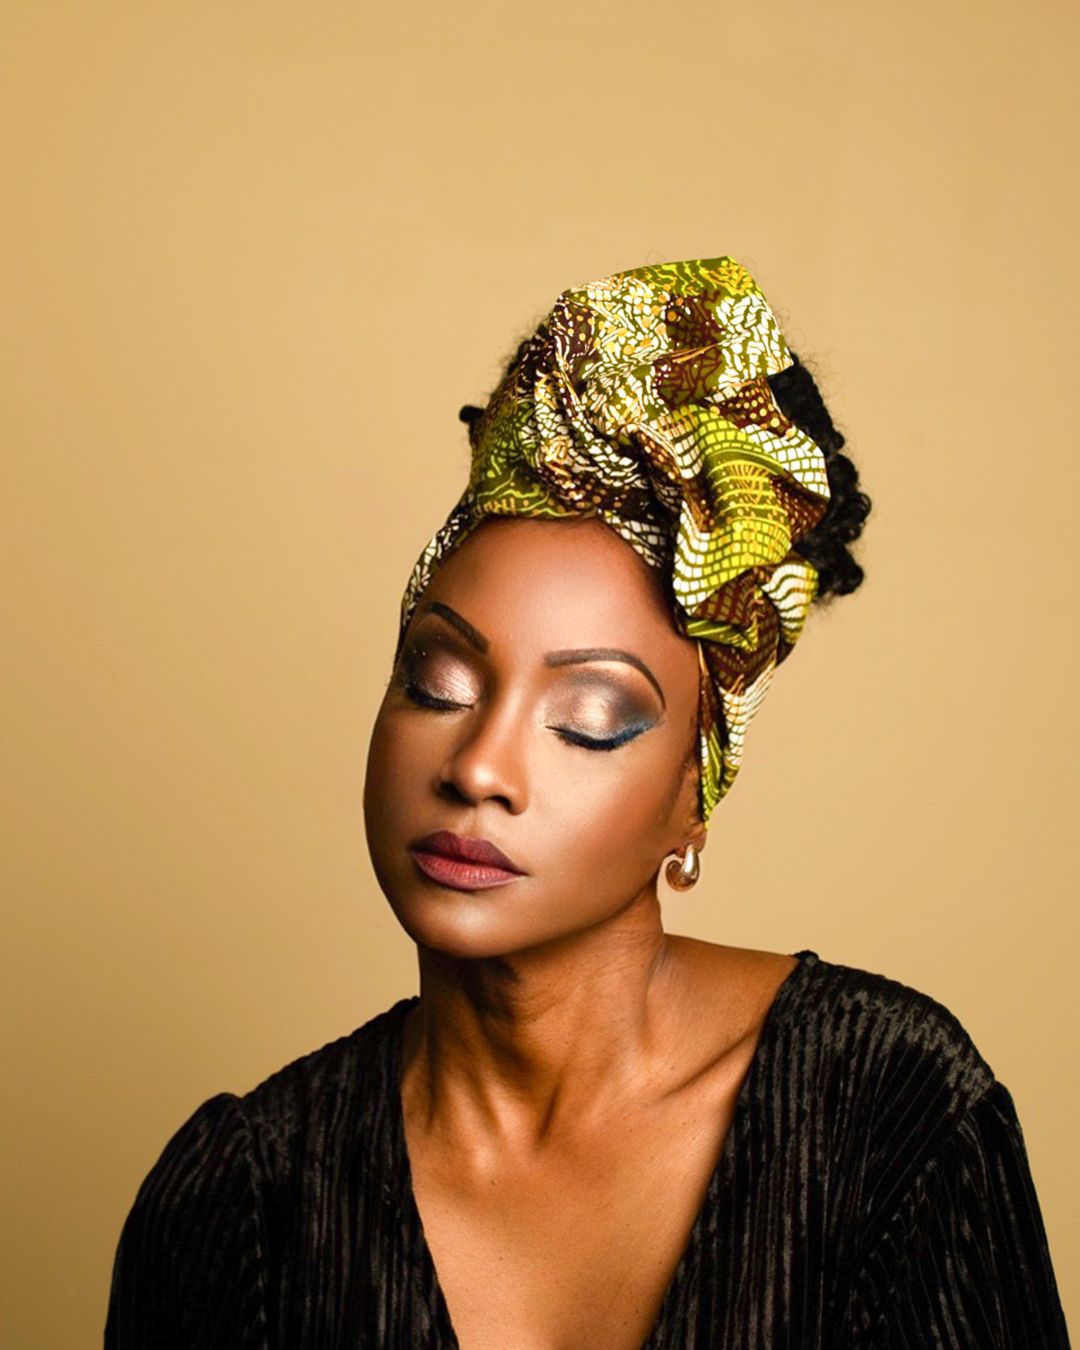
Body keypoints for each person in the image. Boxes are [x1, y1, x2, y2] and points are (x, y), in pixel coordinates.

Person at [104, 257, 1071, 1348]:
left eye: (591, 718)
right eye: (438, 683)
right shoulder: (239, 1202)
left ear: (693, 800)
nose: (479, 767)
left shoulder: (888, 1118)